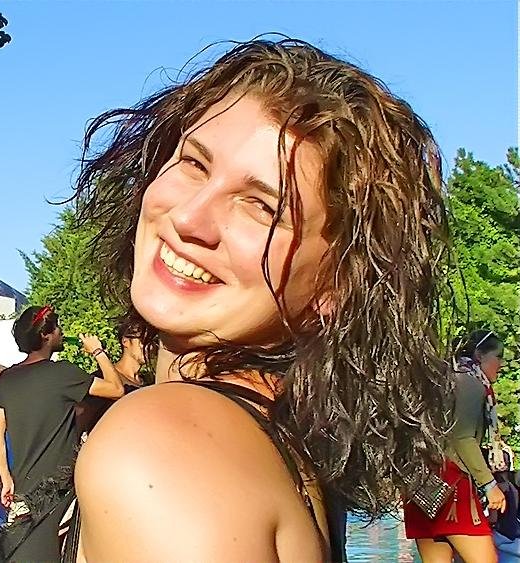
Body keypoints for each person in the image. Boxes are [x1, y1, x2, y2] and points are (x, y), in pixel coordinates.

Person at [67, 37, 456, 562]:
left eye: (261, 207)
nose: (189, 218)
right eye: (195, 164)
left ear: (336, 285)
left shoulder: (167, 448)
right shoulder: (272, 445)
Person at [0, 306, 125, 561]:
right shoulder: (63, 373)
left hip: (22, 485)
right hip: (59, 488)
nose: (61, 332)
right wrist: (98, 351)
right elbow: (116, 389)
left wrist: (6, 479)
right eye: (57, 328)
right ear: (46, 335)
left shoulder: (6, 379)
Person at [403, 330, 508, 562]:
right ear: (479, 355)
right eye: (498, 356)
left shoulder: (443, 379)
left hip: (421, 485)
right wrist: (489, 484)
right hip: (452, 487)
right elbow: (462, 438)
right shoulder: (470, 383)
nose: (501, 364)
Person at [74, 321, 147, 435]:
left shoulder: (149, 382)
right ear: (125, 341)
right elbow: (81, 423)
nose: (148, 346)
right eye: (143, 341)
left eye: (153, 341)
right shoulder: (103, 378)